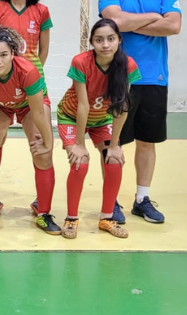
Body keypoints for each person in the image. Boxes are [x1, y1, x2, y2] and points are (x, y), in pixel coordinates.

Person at [99, 0, 182, 224]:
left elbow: (173, 25)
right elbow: (115, 24)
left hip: (154, 78)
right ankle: (111, 201)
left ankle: (142, 199)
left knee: (147, 141)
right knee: (112, 142)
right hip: (118, 78)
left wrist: (130, 21)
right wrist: (153, 17)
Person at [0, 26, 59, 235]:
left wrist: (48, 143)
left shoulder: (28, 71)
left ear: (13, 53)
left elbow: (38, 112)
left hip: (29, 106)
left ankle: (44, 213)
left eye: (3, 55)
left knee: (43, 153)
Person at [56, 19, 141, 239]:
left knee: (114, 161)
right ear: (92, 42)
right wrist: (79, 144)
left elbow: (122, 106)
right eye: (99, 40)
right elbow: (83, 105)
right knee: (80, 162)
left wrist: (114, 145)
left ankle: (107, 218)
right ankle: (71, 218)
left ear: (119, 40)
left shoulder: (128, 65)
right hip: (71, 117)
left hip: (102, 120)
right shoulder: (81, 62)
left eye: (110, 39)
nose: (105, 44)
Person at [0, 0, 52, 216]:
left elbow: (42, 51)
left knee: (40, 143)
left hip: (30, 88)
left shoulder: (41, 11)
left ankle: (42, 204)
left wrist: (27, 75)